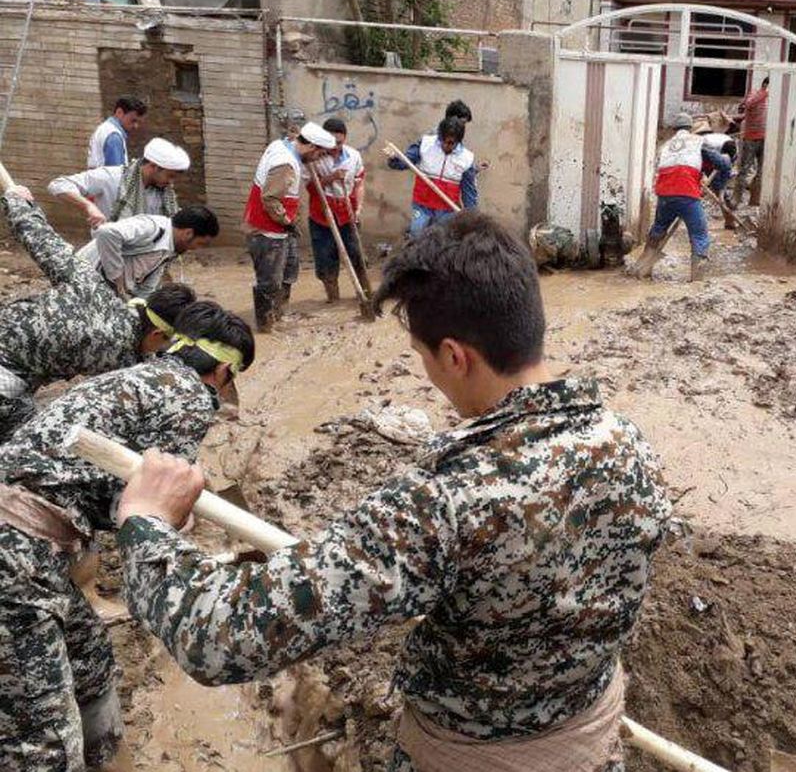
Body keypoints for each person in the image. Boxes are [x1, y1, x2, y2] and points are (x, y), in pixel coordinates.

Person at [112, 212, 672, 771]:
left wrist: (146, 522)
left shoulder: (445, 499)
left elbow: (220, 638)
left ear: (454, 356)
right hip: (591, 749)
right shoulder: (627, 443)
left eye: (422, 356)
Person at [0, 301, 254, 771]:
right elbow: (146, 515)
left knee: (90, 657)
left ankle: (109, 757)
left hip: (30, 542)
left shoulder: (137, 375)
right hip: (16, 554)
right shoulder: (191, 398)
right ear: (222, 371)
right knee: (44, 745)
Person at [0, 185, 195, 440]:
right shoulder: (120, 360)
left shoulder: (93, 284)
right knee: (35, 443)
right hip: (5, 380)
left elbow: (43, 242)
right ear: (158, 333)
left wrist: (18, 202)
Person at [243, 121, 336, 331]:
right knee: (269, 282)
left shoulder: (284, 145)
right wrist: (288, 221)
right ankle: (266, 327)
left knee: (288, 273)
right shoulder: (285, 163)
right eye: (319, 154)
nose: (318, 159)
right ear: (311, 147)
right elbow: (270, 200)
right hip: (268, 231)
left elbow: (293, 135)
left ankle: (280, 314)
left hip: (280, 230)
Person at [630, 112, 733, 282]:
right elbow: (720, 164)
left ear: (673, 129)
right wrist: (727, 159)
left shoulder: (665, 146)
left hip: (664, 194)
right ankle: (697, 279)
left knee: (658, 228)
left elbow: (666, 167)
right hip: (687, 194)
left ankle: (644, 268)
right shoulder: (698, 141)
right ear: (690, 127)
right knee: (699, 235)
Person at [77, 205, 219, 299]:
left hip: (102, 293)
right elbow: (107, 232)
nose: (196, 249)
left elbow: (146, 289)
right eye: (200, 243)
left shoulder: (169, 249)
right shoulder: (151, 228)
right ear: (188, 233)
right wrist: (117, 277)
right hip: (81, 283)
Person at [49, 136, 190, 229]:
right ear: (153, 166)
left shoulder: (163, 193)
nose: (171, 182)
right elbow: (59, 184)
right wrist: (88, 206)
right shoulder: (112, 177)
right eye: (169, 176)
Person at [305, 117, 369, 302]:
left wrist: (359, 208)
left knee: (357, 257)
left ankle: (366, 295)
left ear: (345, 138)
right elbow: (310, 188)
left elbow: (360, 184)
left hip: (347, 214)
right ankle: (333, 299)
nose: (335, 147)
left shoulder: (354, 156)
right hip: (321, 216)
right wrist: (331, 177)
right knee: (326, 261)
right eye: (331, 143)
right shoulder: (314, 158)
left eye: (339, 142)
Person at [388, 116, 478, 235]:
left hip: (447, 210)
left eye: (451, 143)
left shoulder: (466, 159)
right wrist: (394, 160)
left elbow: (469, 192)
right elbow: (406, 161)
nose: (445, 146)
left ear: (458, 141)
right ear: (439, 136)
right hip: (422, 205)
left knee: (443, 242)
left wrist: (472, 216)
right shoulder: (425, 144)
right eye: (443, 141)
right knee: (416, 234)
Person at [735, 76, 769, 206]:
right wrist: (764, 93)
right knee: (744, 169)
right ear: (765, 84)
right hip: (751, 138)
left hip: (765, 138)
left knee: (762, 170)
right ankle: (736, 200)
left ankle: (754, 199)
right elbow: (748, 104)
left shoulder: (771, 99)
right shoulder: (755, 94)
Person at [86, 97, 146, 169]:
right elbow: (116, 173)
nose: (136, 126)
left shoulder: (104, 129)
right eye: (133, 121)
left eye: (138, 122)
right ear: (119, 112)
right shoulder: (114, 137)